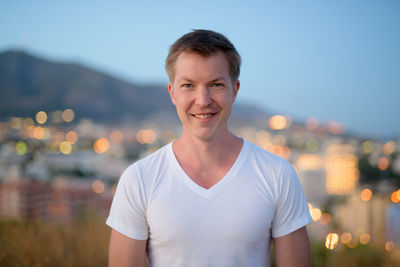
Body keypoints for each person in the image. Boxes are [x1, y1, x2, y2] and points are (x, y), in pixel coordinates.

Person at [107, 29, 312, 267]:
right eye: (188, 85)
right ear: (172, 93)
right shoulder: (139, 179)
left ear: (234, 90)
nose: (203, 100)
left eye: (215, 84)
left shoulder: (278, 175)